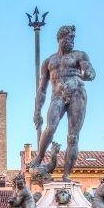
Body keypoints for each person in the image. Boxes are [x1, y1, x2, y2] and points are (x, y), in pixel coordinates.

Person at [30, 25, 95, 181]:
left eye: (73, 37)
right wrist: (37, 111)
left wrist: (88, 74)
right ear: (60, 38)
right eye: (69, 37)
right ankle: (39, 157)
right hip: (57, 95)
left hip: (77, 94)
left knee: (73, 137)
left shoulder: (80, 55)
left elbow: (90, 70)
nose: (72, 41)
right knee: (50, 128)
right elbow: (42, 89)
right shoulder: (49, 62)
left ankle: (66, 175)